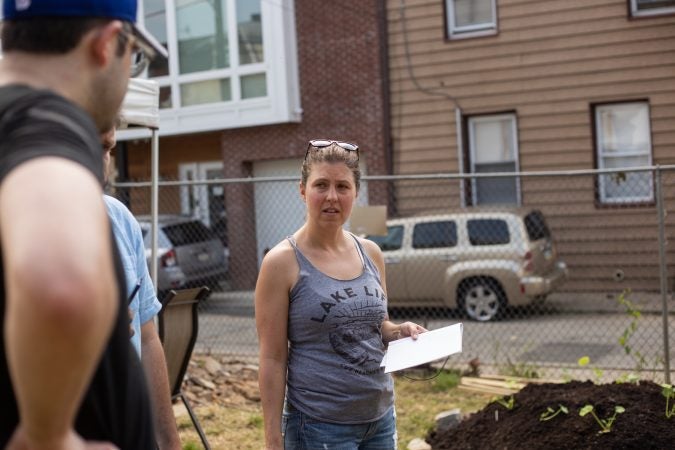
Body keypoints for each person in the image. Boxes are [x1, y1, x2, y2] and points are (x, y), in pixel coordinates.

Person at [0, 1, 167, 449]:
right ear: (107, 43)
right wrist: (49, 437)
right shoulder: (45, 126)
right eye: (132, 56)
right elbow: (62, 287)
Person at [255, 139, 428, 449]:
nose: (332, 197)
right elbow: (272, 357)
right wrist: (272, 438)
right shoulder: (281, 263)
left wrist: (399, 330)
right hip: (319, 426)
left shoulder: (371, 253)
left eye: (342, 187)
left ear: (355, 194)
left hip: (380, 417)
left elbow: (380, 326)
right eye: (321, 185)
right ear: (303, 190)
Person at [101, 128, 182, 449]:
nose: (98, 161)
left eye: (106, 148)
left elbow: (147, 337)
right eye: (83, 141)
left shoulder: (119, 218)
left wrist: (168, 439)